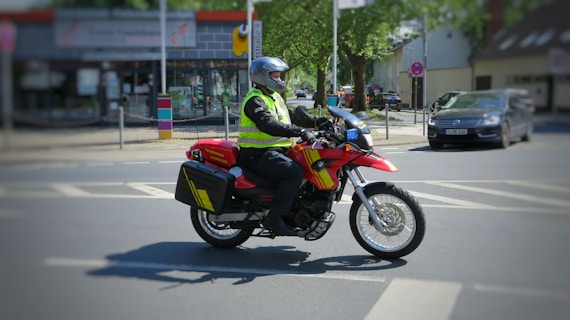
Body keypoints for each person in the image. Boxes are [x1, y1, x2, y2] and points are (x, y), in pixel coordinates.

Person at [237, 57, 317, 236]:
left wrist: (318, 122)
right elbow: (269, 125)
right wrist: (300, 132)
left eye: (280, 76)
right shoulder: (255, 100)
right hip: (258, 154)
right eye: (275, 76)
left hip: (276, 151)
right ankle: (276, 219)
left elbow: (291, 119)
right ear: (262, 77)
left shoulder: (274, 98)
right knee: (294, 172)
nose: (280, 80)